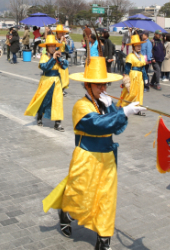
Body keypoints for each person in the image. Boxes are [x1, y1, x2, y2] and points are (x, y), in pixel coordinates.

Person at [42, 56, 145, 250]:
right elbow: (97, 125)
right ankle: (67, 213)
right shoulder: (81, 106)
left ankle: (104, 240)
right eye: (98, 85)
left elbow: (116, 129)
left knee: (107, 199)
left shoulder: (104, 103)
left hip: (107, 157)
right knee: (82, 197)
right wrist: (122, 112)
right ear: (87, 85)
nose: (103, 88)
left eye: (104, 84)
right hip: (87, 157)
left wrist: (119, 108)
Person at [24, 35, 68, 131]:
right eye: (50, 46)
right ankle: (39, 116)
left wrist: (60, 59)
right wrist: (52, 58)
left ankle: (57, 123)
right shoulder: (44, 56)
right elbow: (45, 68)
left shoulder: (57, 55)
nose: (53, 48)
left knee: (58, 101)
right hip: (46, 80)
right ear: (47, 47)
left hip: (57, 81)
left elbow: (64, 67)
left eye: (54, 46)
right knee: (44, 100)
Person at [116, 34, 147, 115]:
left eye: (139, 45)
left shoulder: (141, 56)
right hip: (132, 76)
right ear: (133, 47)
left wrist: (146, 78)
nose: (139, 47)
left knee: (139, 93)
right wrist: (126, 80)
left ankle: (137, 108)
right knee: (131, 93)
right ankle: (123, 106)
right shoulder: (130, 56)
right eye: (137, 46)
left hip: (140, 78)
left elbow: (143, 69)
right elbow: (127, 69)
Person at [54, 25, 71, 95]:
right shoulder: (55, 40)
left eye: (62, 33)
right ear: (57, 33)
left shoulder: (64, 40)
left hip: (63, 59)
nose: (61, 35)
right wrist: (60, 42)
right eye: (60, 33)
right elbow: (55, 49)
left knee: (64, 74)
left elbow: (68, 50)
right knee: (59, 74)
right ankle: (58, 88)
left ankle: (63, 88)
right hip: (57, 59)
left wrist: (66, 43)